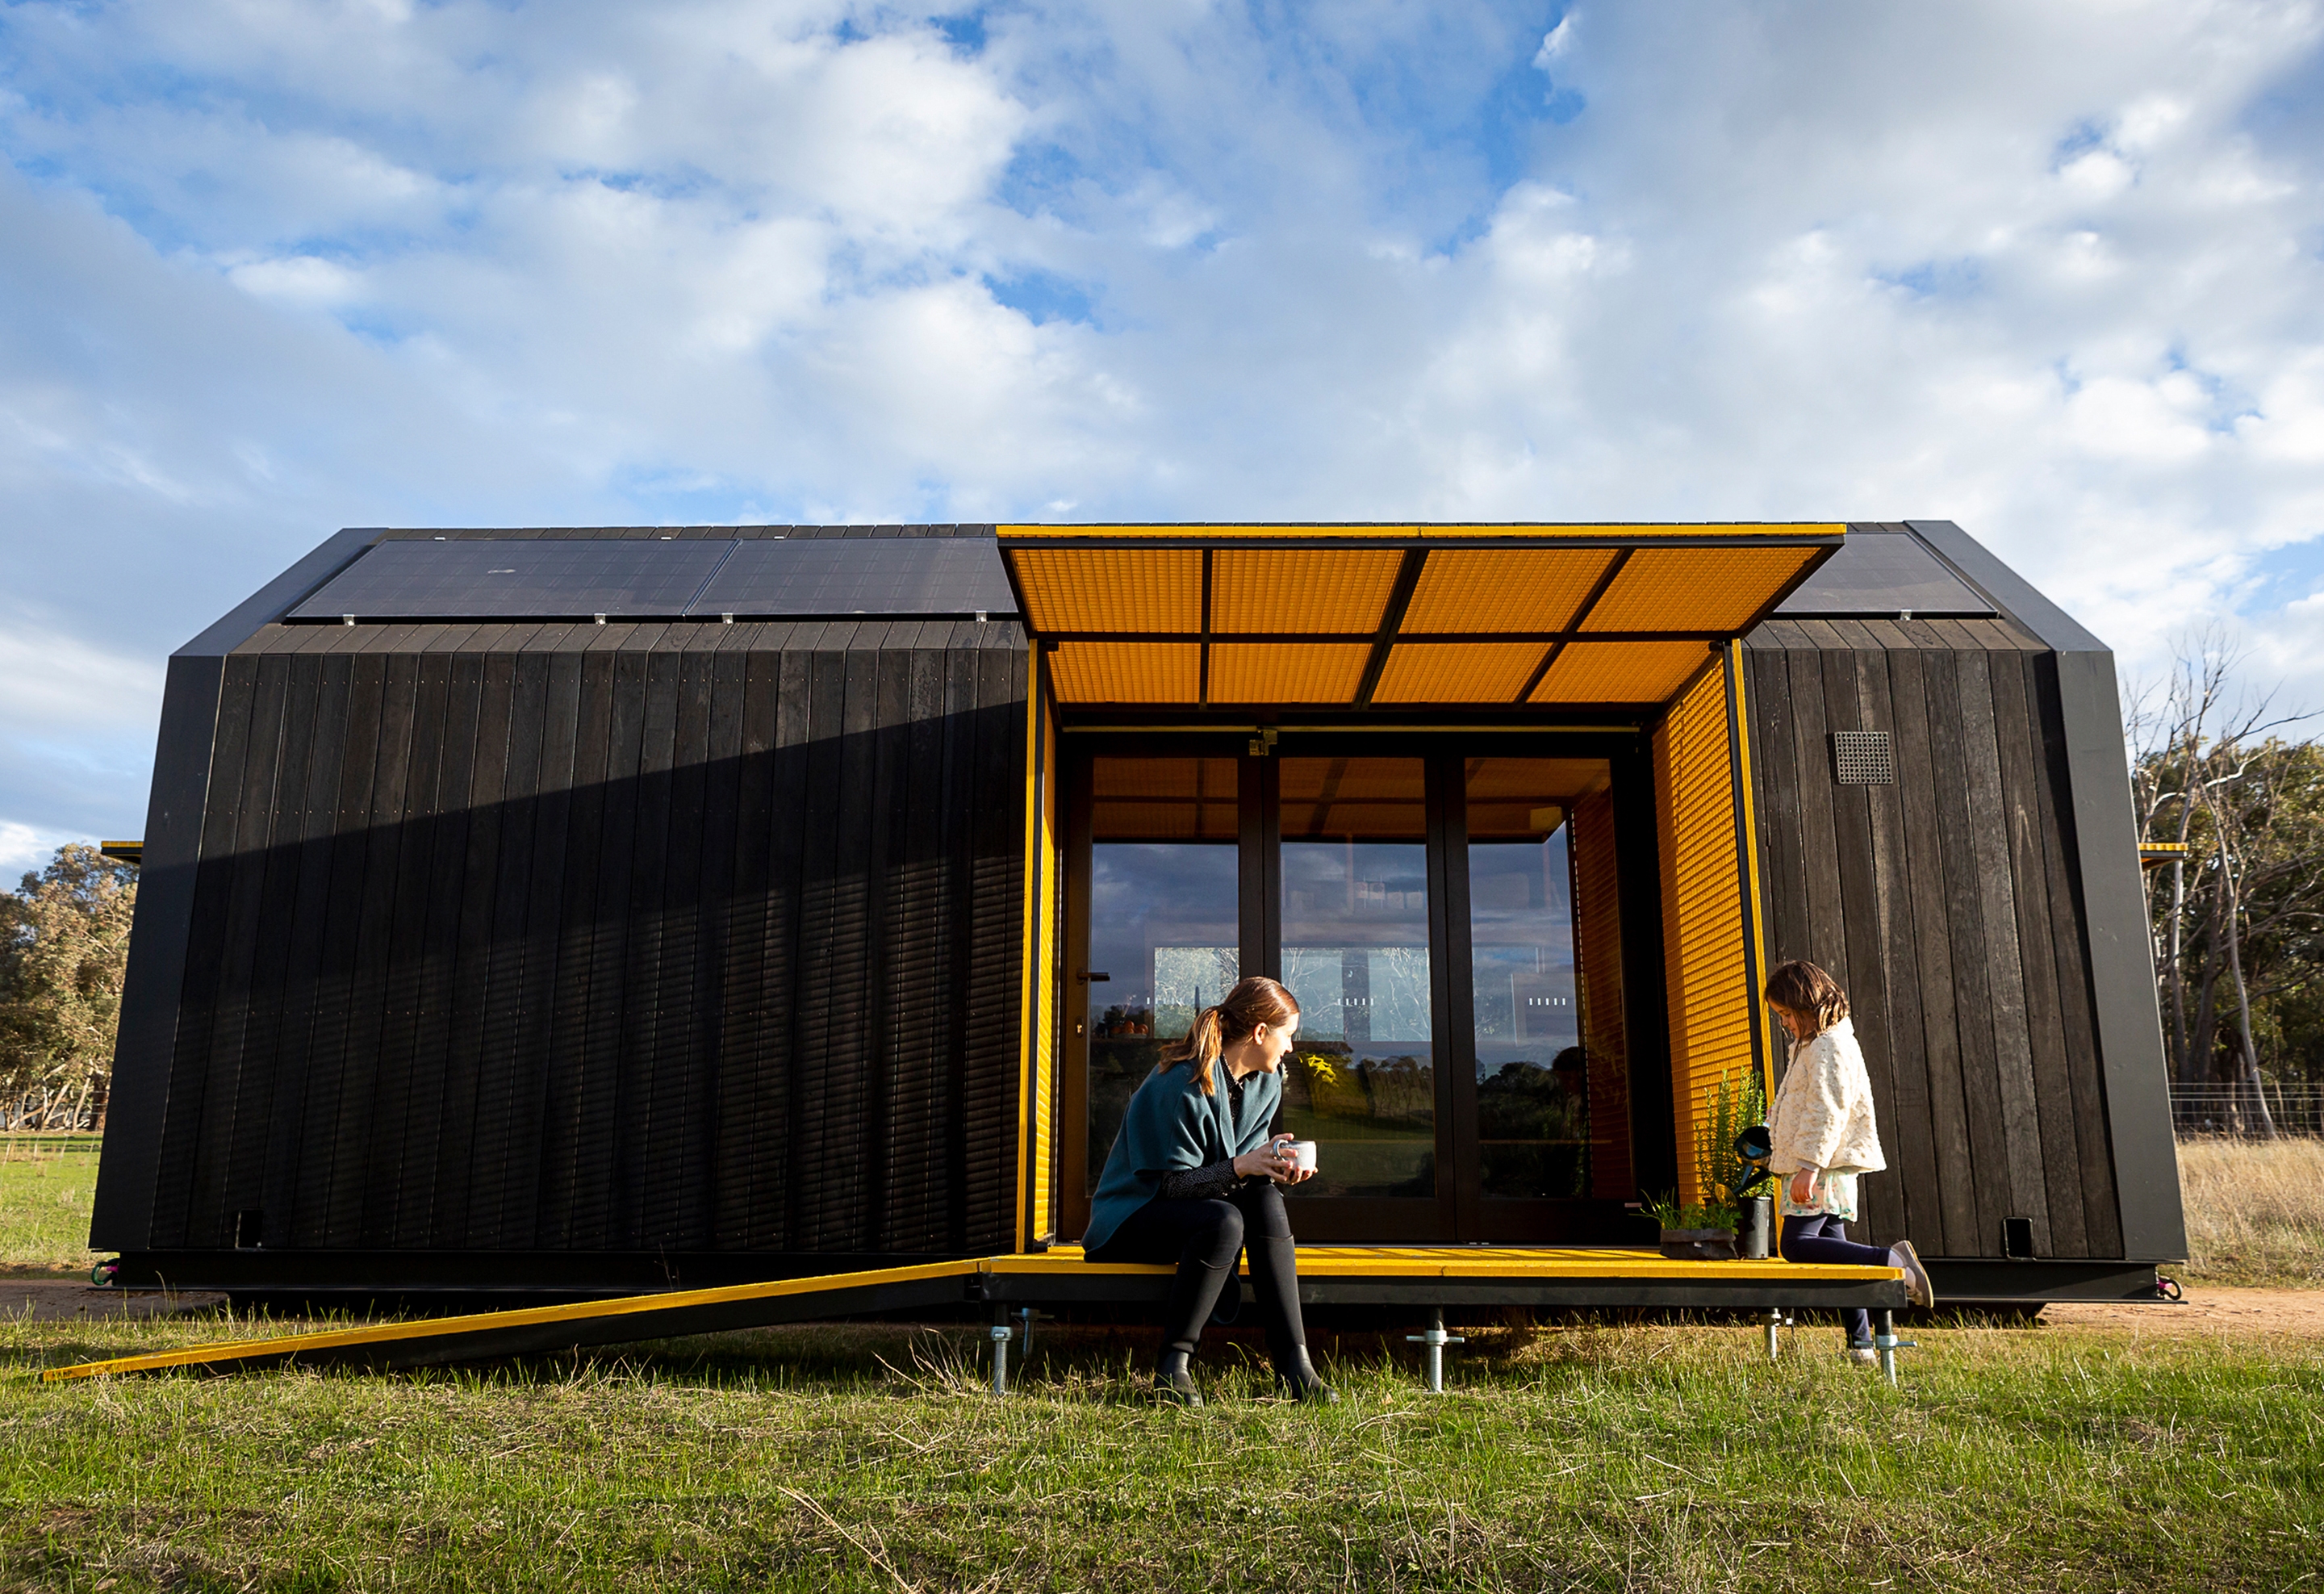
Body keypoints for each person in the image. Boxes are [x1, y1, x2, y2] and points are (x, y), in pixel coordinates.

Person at [1081, 975, 1335, 1405]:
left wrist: (1272, 1163)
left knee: (1264, 1199)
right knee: (1224, 1220)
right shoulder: (1180, 1082)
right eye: (1288, 1035)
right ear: (1260, 1033)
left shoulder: (1266, 1082)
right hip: (1134, 1215)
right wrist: (1243, 1165)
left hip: (1202, 1212)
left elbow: (1242, 1163)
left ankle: (1295, 1365)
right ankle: (1173, 1368)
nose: (1291, 1047)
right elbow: (1172, 1184)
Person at [1763, 959, 1937, 1362]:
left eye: (1786, 1014)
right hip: (1820, 1164)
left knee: (1797, 1245)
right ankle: (1861, 1344)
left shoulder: (1829, 1045)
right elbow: (1807, 1102)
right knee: (1838, 1257)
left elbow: (1828, 1109)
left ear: (1805, 1005)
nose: (1784, 1023)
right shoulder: (1814, 1044)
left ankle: (1892, 1261)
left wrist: (1808, 1165)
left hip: (1821, 1166)